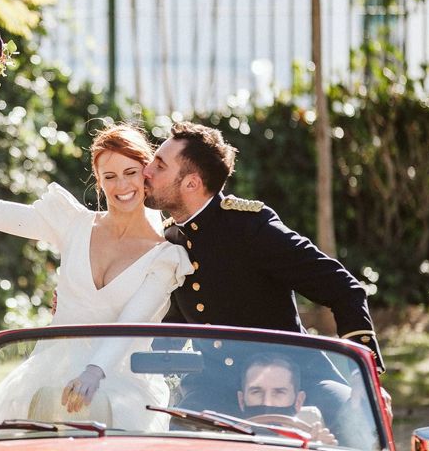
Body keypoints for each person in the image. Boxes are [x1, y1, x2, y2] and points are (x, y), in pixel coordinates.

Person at [0, 99, 193, 430]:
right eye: (109, 176)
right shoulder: (73, 224)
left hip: (121, 386)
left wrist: (94, 373)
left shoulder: (165, 257)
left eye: (130, 173)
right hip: (49, 374)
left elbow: (130, 325)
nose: (121, 186)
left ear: (146, 174)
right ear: (98, 181)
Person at [142, 121, 390, 427]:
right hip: (217, 387)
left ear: (191, 183)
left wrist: (365, 378)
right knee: (178, 430)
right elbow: (172, 327)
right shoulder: (171, 238)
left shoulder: (249, 228)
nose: (146, 170)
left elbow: (343, 288)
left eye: (160, 165)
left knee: (358, 420)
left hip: (296, 377)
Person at [238, 353, 337, 445]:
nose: (267, 402)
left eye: (279, 392)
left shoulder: (314, 438)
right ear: (241, 400)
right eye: (256, 392)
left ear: (299, 401)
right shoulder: (224, 439)